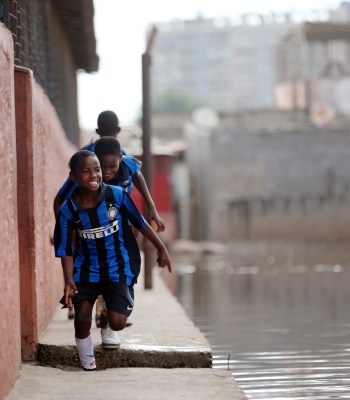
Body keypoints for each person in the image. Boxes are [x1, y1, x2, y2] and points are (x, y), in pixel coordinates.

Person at [53, 150, 172, 371]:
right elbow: (65, 250)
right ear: (73, 177)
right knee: (81, 318)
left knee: (117, 322)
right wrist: (68, 280)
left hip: (116, 268)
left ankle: (112, 303)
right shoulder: (68, 209)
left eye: (96, 170)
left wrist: (161, 247)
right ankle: (87, 362)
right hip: (85, 270)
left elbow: (140, 223)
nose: (94, 175)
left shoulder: (116, 195)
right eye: (86, 172)